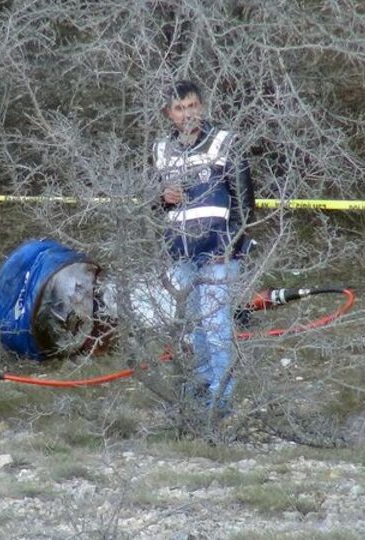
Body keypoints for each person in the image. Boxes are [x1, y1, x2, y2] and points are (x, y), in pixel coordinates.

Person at [151, 80, 255, 412]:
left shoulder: (225, 142)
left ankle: (221, 397)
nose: (187, 114)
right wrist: (162, 197)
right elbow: (151, 203)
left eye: (192, 106)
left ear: (202, 107)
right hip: (181, 252)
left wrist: (231, 245)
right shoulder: (160, 150)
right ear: (169, 113)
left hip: (218, 250)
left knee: (216, 324)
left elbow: (245, 203)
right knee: (194, 324)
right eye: (179, 108)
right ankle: (203, 383)